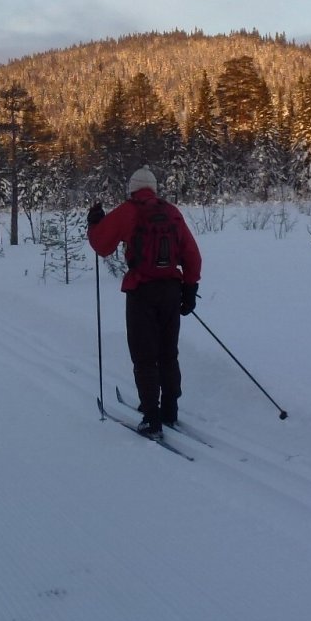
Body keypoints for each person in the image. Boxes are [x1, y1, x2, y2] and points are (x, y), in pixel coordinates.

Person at [87, 166, 202, 437]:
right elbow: (192, 255)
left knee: (144, 356)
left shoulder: (129, 211)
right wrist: (189, 288)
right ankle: (170, 409)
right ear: (154, 188)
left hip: (142, 291)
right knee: (168, 352)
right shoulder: (172, 212)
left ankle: (151, 417)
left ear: (132, 188)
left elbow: (102, 246)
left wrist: (94, 223)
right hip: (172, 291)